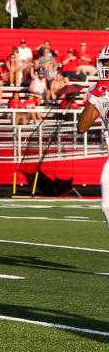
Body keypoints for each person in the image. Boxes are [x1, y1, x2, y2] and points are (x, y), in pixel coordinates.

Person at [76, 48, 109, 228]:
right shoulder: (97, 91)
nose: (107, 66)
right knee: (107, 206)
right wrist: (96, 96)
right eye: (105, 62)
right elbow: (82, 127)